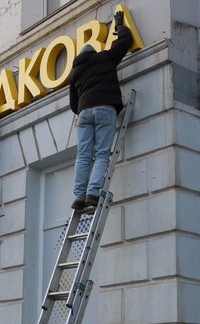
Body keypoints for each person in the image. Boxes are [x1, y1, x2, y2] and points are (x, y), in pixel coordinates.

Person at [69, 10, 133, 210]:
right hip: (105, 107)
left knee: (83, 155)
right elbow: (126, 41)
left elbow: (73, 104)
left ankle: (79, 196)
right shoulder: (105, 58)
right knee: (102, 153)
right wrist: (119, 25)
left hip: (84, 113)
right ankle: (93, 193)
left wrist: (84, 108)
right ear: (93, 53)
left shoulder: (75, 73)